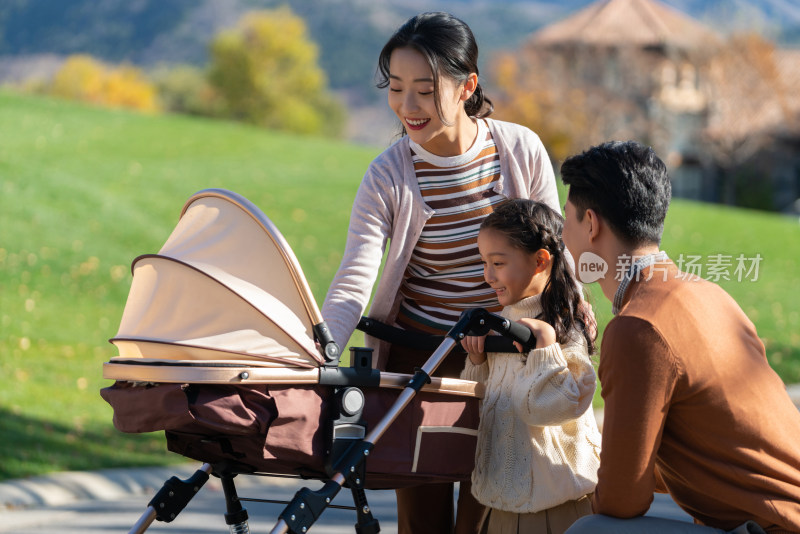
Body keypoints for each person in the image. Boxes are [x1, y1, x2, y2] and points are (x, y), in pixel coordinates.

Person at [321, 11, 562, 534]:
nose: (408, 106)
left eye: (426, 91)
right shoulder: (387, 174)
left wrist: (556, 336)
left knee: (490, 509)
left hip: (502, 356)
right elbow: (356, 273)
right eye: (397, 88)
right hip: (420, 359)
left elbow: (553, 260)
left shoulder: (519, 150)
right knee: (422, 517)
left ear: (466, 86)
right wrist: (316, 355)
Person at [558, 141, 800, 534]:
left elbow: (621, 502)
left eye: (565, 220)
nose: (563, 235)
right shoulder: (709, 294)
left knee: (591, 529)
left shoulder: (638, 327)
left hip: (772, 527)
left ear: (591, 223)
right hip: (773, 515)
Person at [459, 198, 601, 534]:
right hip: (502, 501)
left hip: (557, 506)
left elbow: (549, 408)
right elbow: (484, 406)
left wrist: (545, 349)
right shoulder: (502, 323)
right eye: (484, 263)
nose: (488, 276)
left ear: (540, 261)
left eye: (498, 263)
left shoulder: (566, 327)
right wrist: (478, 362)